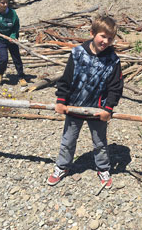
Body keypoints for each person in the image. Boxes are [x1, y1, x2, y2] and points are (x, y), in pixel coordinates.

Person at [47, 15, 123, 188]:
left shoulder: (113, 60)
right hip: (75, 105)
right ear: (92, 33)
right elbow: (66, 78)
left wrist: (108, 109)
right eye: (102, 36)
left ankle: (103, 167)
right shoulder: (78, 53)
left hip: (98, 109)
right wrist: (61, 100)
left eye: (110, 38)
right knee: (68, 139)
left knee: (100, 142)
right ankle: (62, 166)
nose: (105, 41)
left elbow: (115, 87)